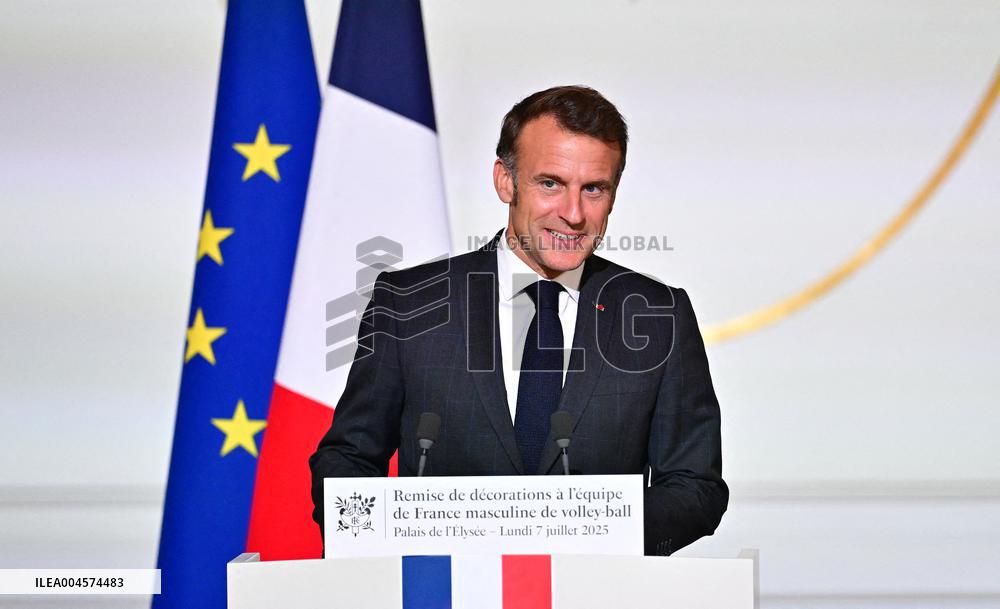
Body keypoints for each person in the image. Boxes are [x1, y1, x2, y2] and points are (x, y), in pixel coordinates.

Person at [309, 85, 727, 555]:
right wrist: (387, 548)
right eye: (550, 183)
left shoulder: (658, 315)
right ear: (505, 181)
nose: (573, 214)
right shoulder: (409, 304)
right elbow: (347, 460)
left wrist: (600, 539)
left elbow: (695, 486)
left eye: (594, 189)